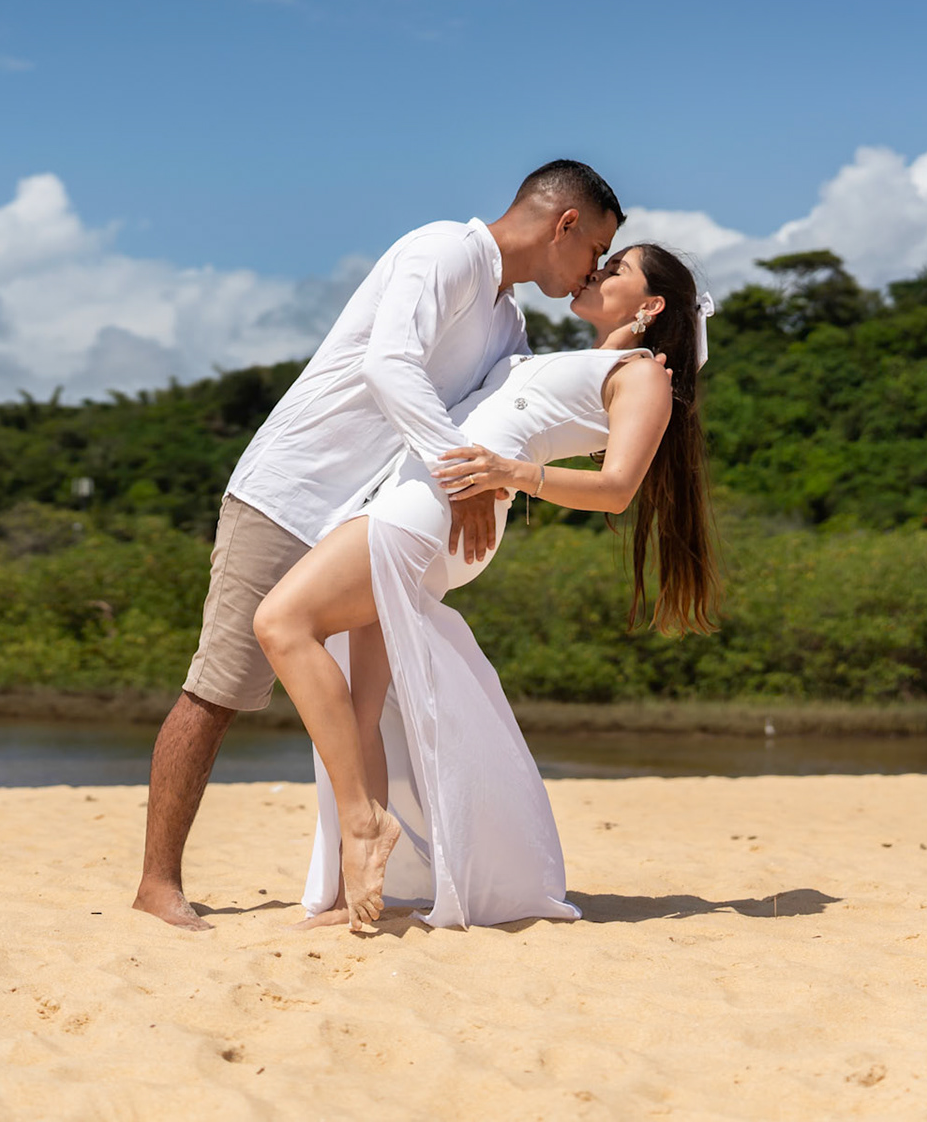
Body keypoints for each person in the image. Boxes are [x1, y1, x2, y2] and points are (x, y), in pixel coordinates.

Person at [132, 161, 625, 930]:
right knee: (221, 688)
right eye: (595, 248)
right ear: (564, 224)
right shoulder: (444, 252)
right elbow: (388, 363)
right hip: (290, 493)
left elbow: (502, 412)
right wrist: (459, 482)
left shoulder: (510, 326)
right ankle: (157, 884)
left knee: (375, 705)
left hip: (368, 517)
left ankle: (348, 876)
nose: (592, 269)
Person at [253, 243, 720, 930]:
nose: (595, 269)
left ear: (650, 307)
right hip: (408, 500)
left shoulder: (643, 372)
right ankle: (361, 896)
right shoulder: (550, 355)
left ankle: (364, 822)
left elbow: (618, 490)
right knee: (364, 708)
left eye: (615, 267)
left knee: (282, 624)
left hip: (437, 512)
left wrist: (513, 475)